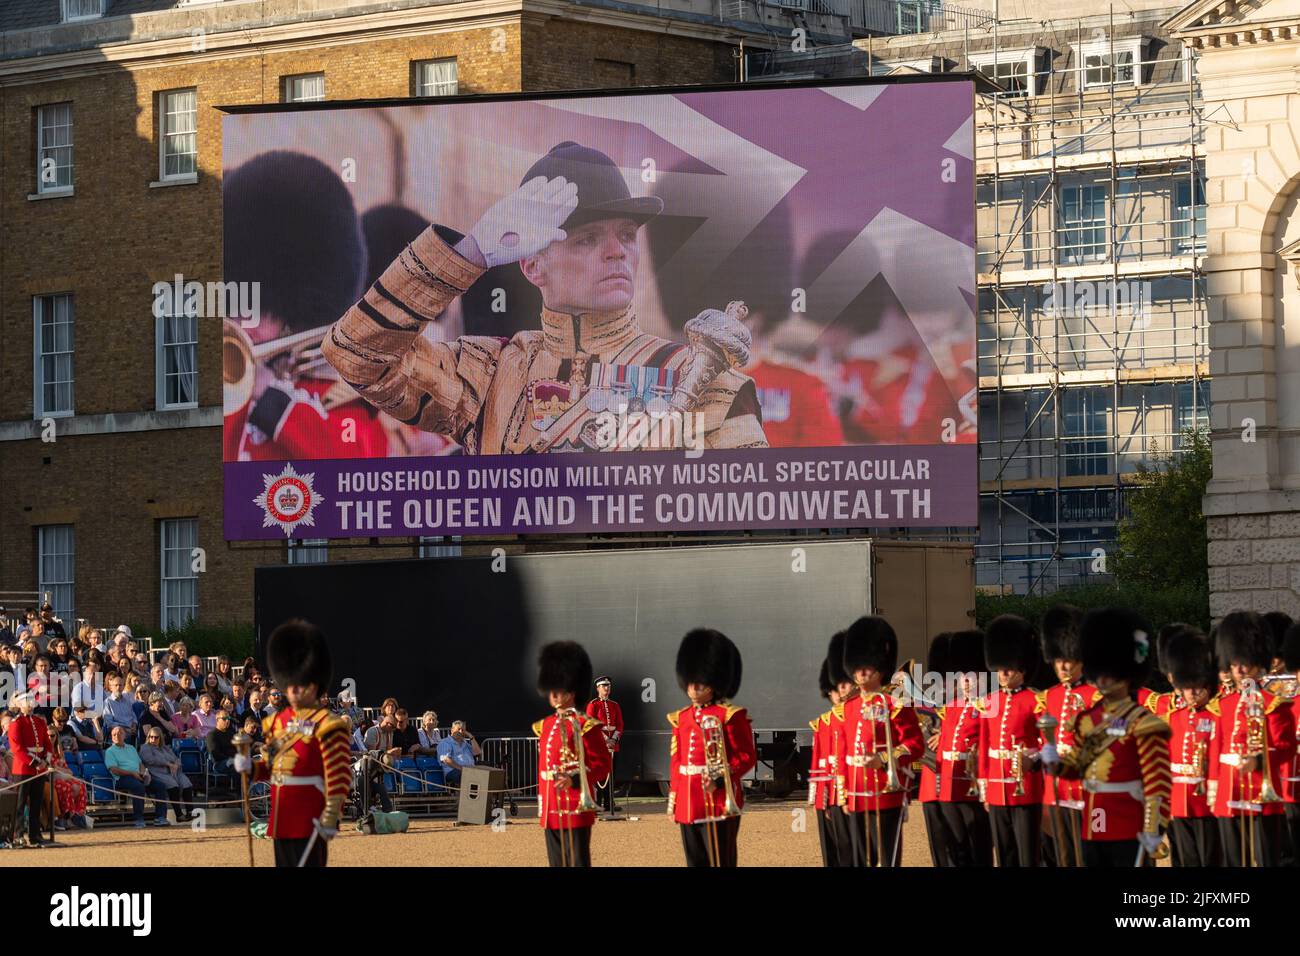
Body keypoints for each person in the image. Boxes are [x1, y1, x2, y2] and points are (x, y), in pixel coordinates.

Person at [321, 141, 768, 457]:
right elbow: (355, 353)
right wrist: (470, 253)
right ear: (533, 266)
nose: (618, 251)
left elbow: (750, 531)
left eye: (627, 235)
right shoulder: (489, 374)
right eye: (587, 239)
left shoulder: (706, 381)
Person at [1042, 607, 1172, 867]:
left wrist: (1153, 828)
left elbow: (1157, 783)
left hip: (1129, 818)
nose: (1102, 679)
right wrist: (1055, 762)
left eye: (1109, 672)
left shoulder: (1143, 723)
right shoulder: (1087, 720)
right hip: (1095, 814)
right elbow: (1076, 767)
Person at [236, 619, 351, 868]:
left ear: (314, 685)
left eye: (301, 684)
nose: (294, 690)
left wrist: (332, 814)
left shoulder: (328, 724)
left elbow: (339, 775)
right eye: (290, 684)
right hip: (281, 816)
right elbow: (271, 766)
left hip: (310, 816)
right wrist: (250, 768)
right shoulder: (276, 722)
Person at [1208, 610, 1295, 867]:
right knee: (1234, 861)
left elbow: (1287, 747)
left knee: (1268, 860)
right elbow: (1217, 749)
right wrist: (1214, 787)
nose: (1240, 669)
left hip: (1261, 791)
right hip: (1228, 790)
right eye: (1234, 663)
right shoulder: (1222, 705)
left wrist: (1258, 762)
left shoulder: (1274, 704)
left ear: (1259, 660)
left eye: (1245, 662)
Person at [837, 616, 921, 868]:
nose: (861, 672)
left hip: (886, 792)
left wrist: (884, 759)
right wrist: (843, 794)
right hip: (855, 792)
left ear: (881, 667)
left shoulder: (895, 705)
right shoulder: (849, 708)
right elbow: (843, 754)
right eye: (857, 666)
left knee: (887, 859)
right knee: (860, 860)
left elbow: (915, 744)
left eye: (868, 665)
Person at [668, 629, 755, 867]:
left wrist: (718, 780)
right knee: (694, 861)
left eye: (700, 682)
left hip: (717, 798)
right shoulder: (682, 718)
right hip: (688, 801)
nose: (693, 688)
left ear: (714, 683)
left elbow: (746, 756)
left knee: (719, 861)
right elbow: (677, 761)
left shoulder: (730, 715)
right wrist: (674, 797)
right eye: (690, 682)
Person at [534, 641, 611, 867]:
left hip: (575, 802)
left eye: (560, 688)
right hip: (550, 805)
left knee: (577, 861)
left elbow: (602, 764)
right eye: (552, 689)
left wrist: (576, 779)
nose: (555, 694)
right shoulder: (545, 725)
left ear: (572, 691)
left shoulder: (585, 724)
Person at [978, 614, 1046, 867]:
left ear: (1022, 668)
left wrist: (1032, 759)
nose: (1003, 673)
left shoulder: (1035, 700)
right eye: (1000, 668)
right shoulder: (990, 702)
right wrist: (985, 787)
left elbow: (1047, 742)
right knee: (1004, 853)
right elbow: (985, 746)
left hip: (1026, 787)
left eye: (1008, 668)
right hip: (996, 788)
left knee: (1028, 854)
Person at [920, 629, 992, 868]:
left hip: (969, 782)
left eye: (970, 674)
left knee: (975, 844)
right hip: (943, 782)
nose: (963, 680)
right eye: (960, 675)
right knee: (950, 846)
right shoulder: (948, 705)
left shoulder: (988, 704)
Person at [1036, 604, 1099, 868]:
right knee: (1059, 857)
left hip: (1086, 790)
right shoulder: (1048, 696)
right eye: (1058, 659)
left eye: (1069, 659)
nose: (1063, 666)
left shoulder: (1095, 696)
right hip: (1055, 790)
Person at [1163, 626, 1223, 867]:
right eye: (1187, 686)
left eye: (1198, 686)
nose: (1192, 693)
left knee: (1209, 858)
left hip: (1205, 800)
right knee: (1185, 859)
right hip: (1178, 799)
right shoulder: (1173, 718)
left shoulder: (1216, 717)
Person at [7, 691, 54, 847]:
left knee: (36, 803)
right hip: (23, 768)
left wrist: (46, 760)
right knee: (20, 804)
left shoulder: (39, 721)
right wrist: (35, 762)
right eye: (26, 701)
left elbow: (47, 743)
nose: (30, 703)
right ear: (20, 705)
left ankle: (35, 835)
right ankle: (18, 834)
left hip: (39, 768)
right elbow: (17, 749)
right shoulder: (16, 723)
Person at [809, 657, 842, 866]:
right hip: (826, 792)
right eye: (834, 689)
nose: (838, 693)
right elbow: (817, 763)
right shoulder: (822, 722)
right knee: (830, 853)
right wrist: (817, 798)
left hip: (848, 791)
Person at [104, 724, 170, 828]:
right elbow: (114, 770)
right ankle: (138, 819)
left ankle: (160, 817)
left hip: (137, 775)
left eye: (119, 733)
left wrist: (144, 773)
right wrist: (132, 773)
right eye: (114, 734)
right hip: (122, 778)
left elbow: (140, 764)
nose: (116, 736)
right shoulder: (110, 751)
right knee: (138, 787)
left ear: (125, 735)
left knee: (160, 786)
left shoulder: (131, 748)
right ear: (111, 737)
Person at [585, 676, 624, 814]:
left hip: (613, 746)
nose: (607, 689)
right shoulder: (593, 705)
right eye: (604, 686)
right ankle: (596, 804)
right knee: (598, 777)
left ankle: (609, 803)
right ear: (598, 688)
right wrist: (604, 740)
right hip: (599, 747)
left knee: (611, 775)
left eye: (608, 686)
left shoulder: (615, 705)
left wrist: (613, 739)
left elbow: (619, 724)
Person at [140, 727, 195, 822]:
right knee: (173, 786)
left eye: (156, 737)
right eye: (151, 737)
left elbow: (176, 758)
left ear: (160, 738)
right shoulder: (145, 748)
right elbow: (149, 759)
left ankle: (190, 812)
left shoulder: (165, 748)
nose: (153, 739)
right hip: (158, 772)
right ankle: (179, 814)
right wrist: (168, 764)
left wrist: (176, 764)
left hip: (174, 771)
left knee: (186, 783)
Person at [435, 720, 478, 786]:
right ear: (452, 730)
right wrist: (462, 769)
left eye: (463, 730)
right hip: (453, 771)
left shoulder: (465, 743)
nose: (460, 732)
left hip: (470, 770)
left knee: (488, 768)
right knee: (467, 775)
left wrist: (471, 736)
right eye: (458, 729)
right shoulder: (445, 742)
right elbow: (445, 759)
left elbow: (477, 752)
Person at [100, 672, 137, 739]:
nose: (118, 688)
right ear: (111, 687)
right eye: (116, 685)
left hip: (132, 732)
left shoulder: (127, 700)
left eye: (120, 685)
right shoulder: (107, 702)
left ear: (123, 687)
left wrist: (134, 725)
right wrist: (124, 729)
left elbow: (133, 715)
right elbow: (109, 722)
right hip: (118, 733)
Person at [206, 710, 239, 777]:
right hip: (219, 764)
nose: (227, 721)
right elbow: (215, 755)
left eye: (228, 719)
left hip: (233, 761)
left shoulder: (231, 734)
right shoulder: (212, 735)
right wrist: (231, 759)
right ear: (217, 720)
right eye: (224, 719)